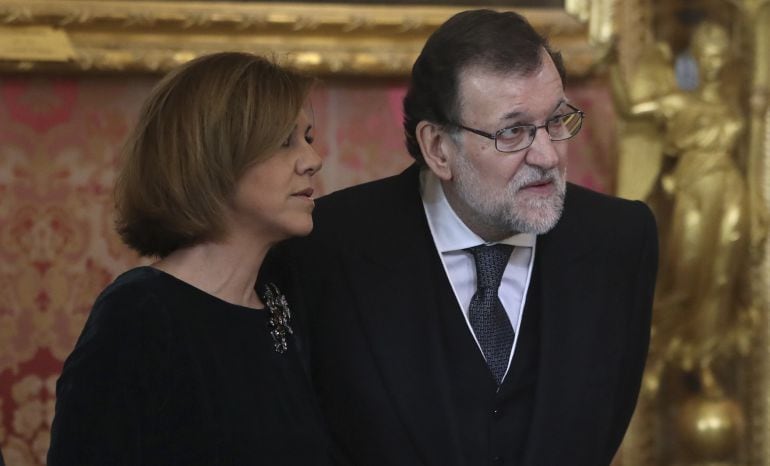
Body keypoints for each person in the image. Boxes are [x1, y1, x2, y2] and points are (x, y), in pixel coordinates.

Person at [266, 9, 658, 466]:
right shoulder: (323, 248)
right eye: (513, 131)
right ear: (437, 148)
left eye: (556, 121)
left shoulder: (620, 241)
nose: (548, 156)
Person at [47, 52, 331, 465]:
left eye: (308, 137)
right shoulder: (140, 314)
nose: (312, 159)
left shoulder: (280, 302)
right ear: (214, 156)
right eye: (283, 141)